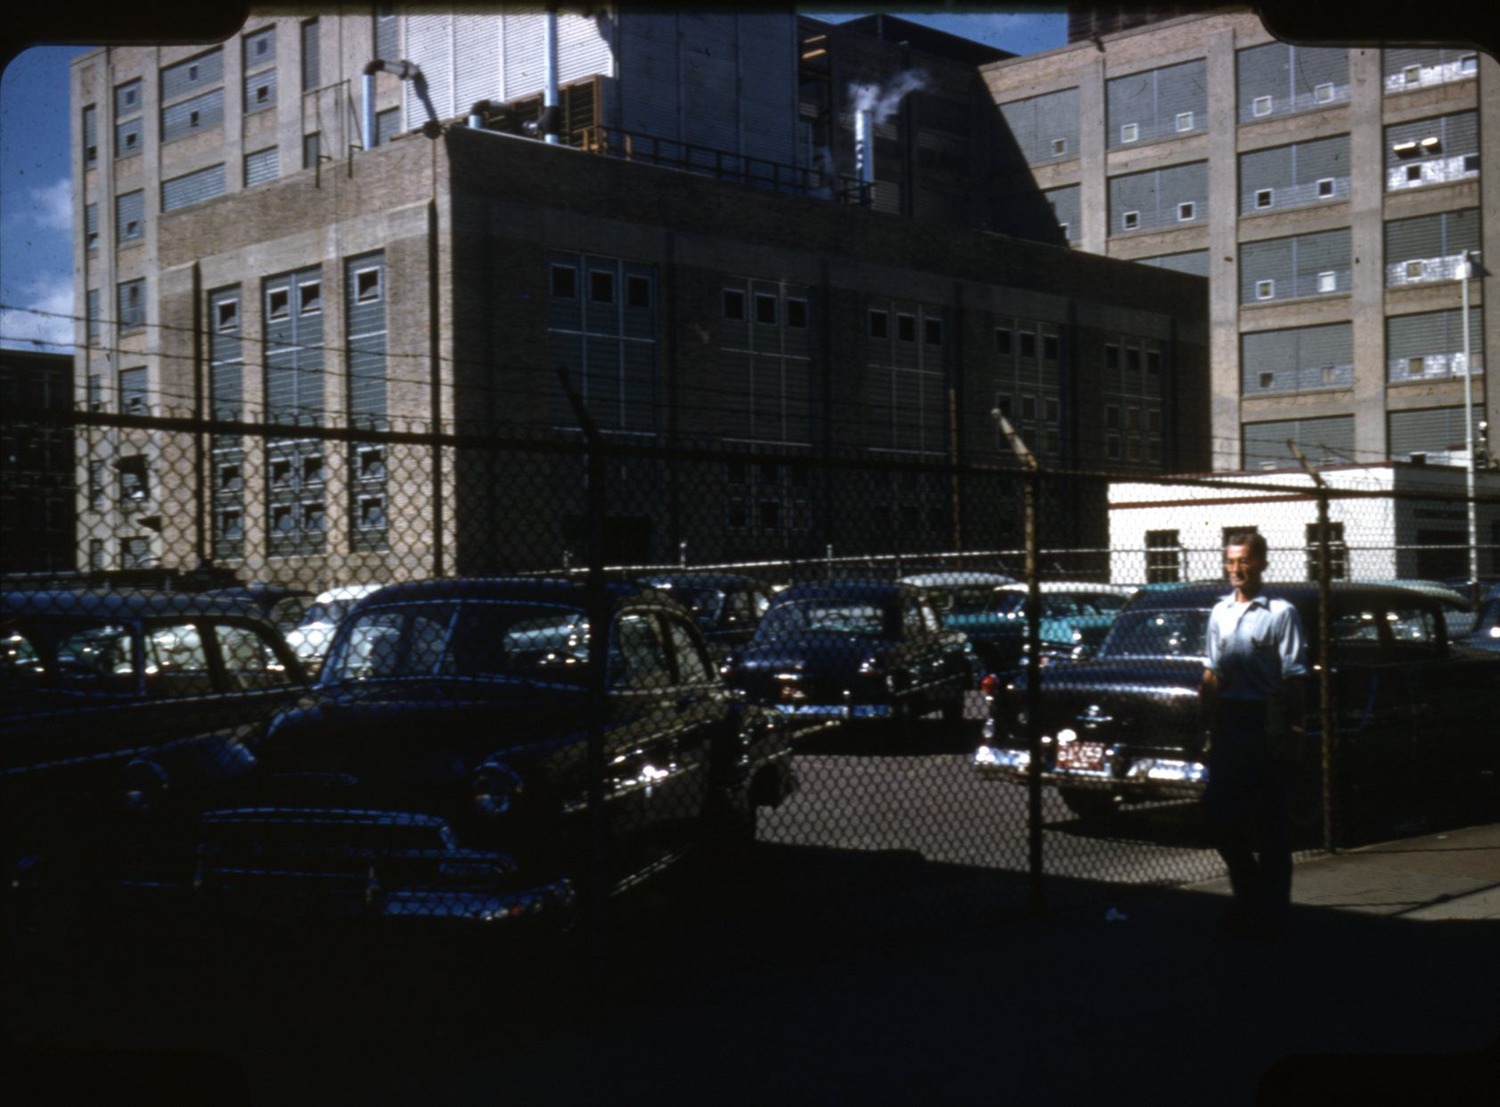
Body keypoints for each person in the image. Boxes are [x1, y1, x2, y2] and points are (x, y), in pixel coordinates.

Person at [1199, 531, 1307, 941]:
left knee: (1270, 824)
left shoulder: (1281, 613)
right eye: (1230, 561)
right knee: (1219, 817)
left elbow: (1294, 677)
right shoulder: (1220, 612)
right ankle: (1248, 896)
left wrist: (1294, 730)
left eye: (1243, 561)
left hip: (1267, 722)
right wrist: (1205, 722)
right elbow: (1212, 671)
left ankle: (1272, 913)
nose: (1236, 569)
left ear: (1261, 562)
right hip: (1230, 723)